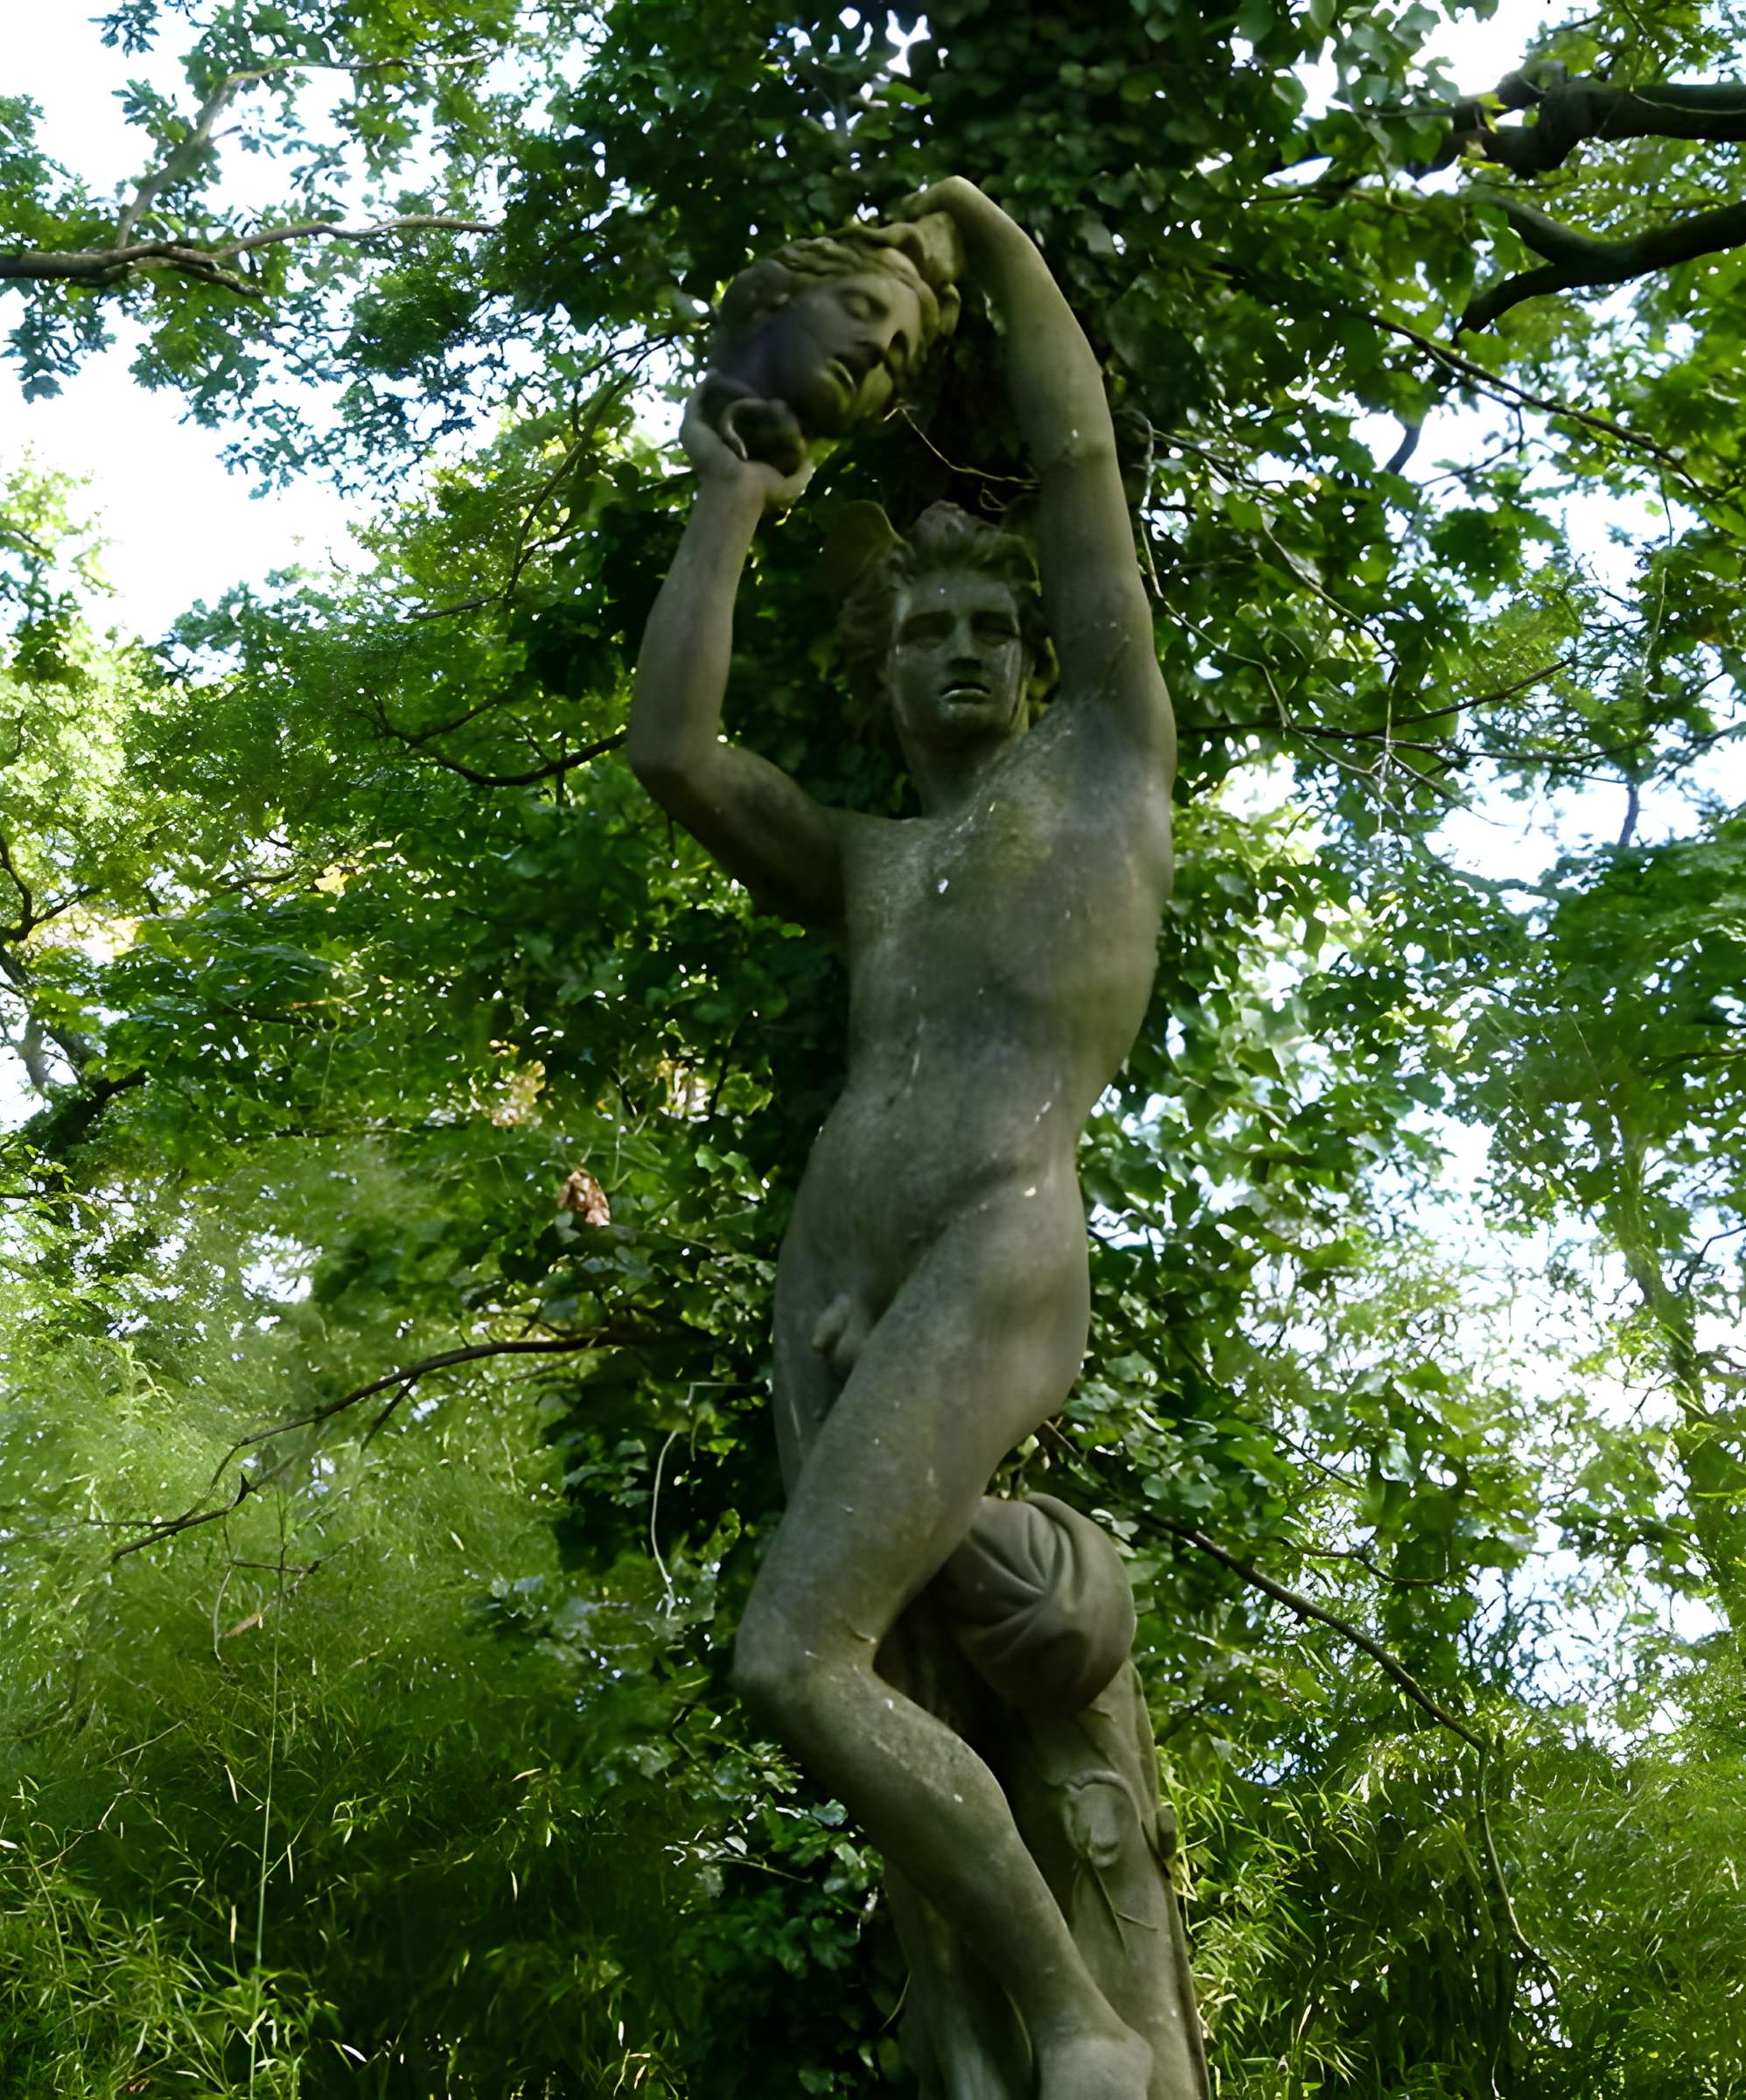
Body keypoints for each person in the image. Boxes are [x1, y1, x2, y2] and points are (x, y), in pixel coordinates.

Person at [628, 177, 1176, 2100]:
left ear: (1032, 661)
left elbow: (1078, 457)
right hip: (834, 1282)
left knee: (798, 1661)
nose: (954, 650)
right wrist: (731, 498)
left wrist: (989, 241)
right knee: (891, 1681)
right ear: (879, 670)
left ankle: (1088, 2020)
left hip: (997, 1237)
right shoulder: (873, 864)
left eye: (982, 626)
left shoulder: (1105, 764)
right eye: (919, 629)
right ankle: (986, 2037)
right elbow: (676, 756)